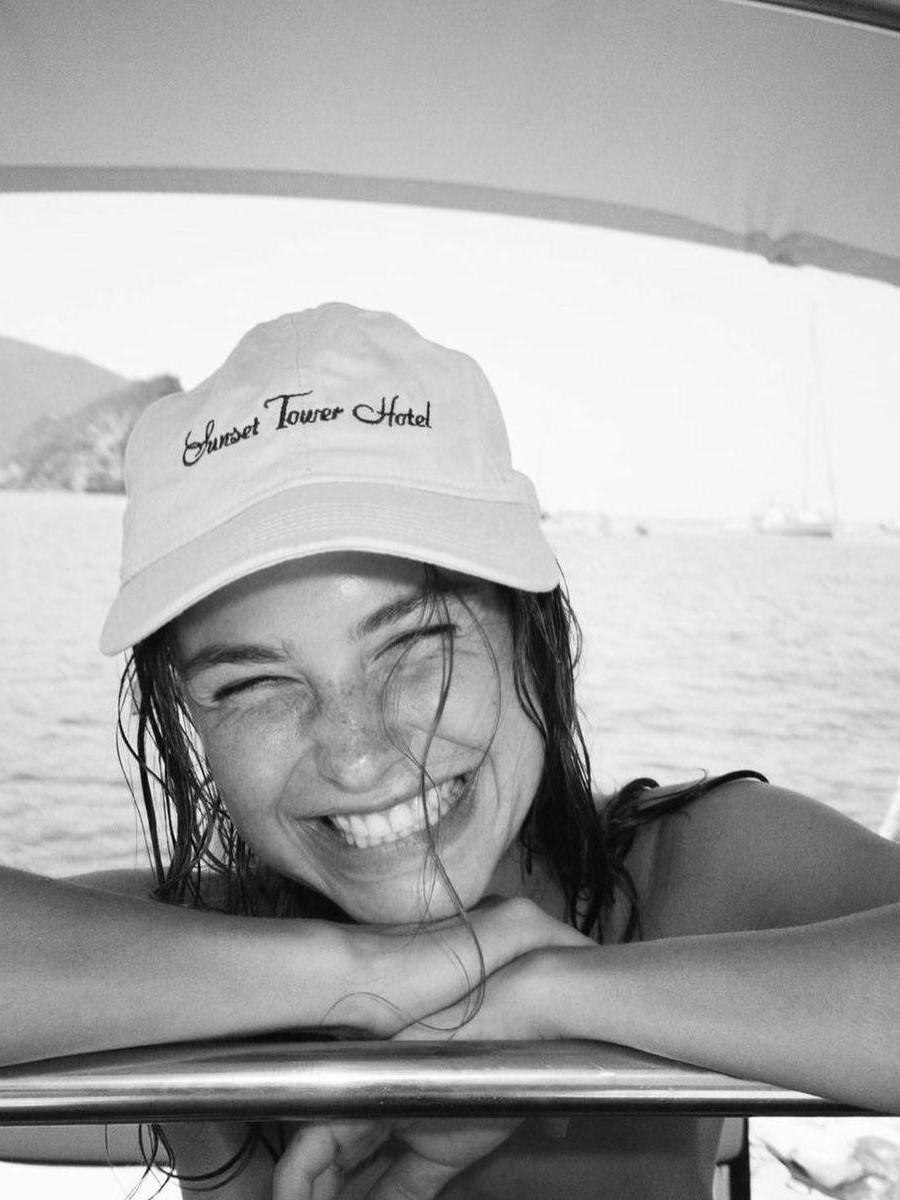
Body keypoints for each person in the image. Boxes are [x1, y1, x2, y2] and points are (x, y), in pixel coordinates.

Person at [2, 303, 899, 1200]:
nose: (355, 756)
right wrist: (362, 981)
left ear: (533, 635)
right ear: (191, 721)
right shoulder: (188, 949)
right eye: (252, 685)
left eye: (415, 643)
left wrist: (550, 997)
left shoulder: (699, 871)